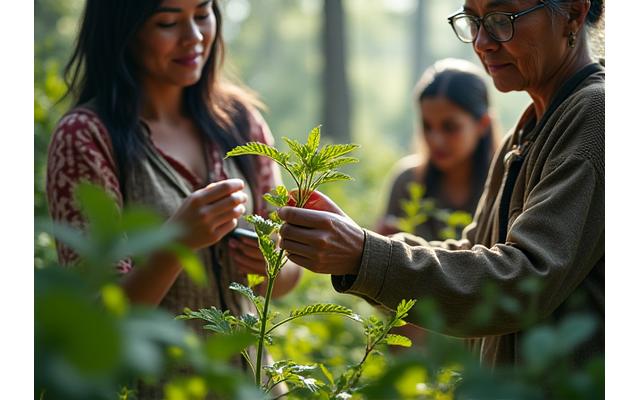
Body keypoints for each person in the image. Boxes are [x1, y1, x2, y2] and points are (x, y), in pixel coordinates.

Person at [278, 0, 604, 367]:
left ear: (574, 13)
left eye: (501, 19)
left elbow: (523, 279)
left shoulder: (597, 115)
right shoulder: (528, 130)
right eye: (473, 20)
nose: (482, 41)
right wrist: (361, 247)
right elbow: (473, 252)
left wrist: (365, 254)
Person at [46, 0, 299, 395]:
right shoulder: (86, 137)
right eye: (168, 22)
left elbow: (287, 277)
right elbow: (98, 320)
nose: (194, 38)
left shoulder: (240, 121)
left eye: (202, 14)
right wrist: (176, 242)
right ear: (123, 32)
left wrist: (268, 263)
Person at [377, 58, 500, 241]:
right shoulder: (407, 182)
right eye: (427, 126)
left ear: (482, 124)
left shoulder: (504, 184)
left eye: (450, 127)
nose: (436, 140)